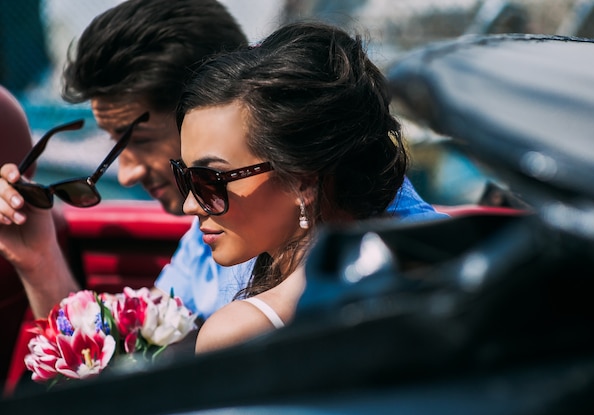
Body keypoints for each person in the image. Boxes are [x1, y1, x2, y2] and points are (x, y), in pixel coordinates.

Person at [0, 0, 445, 326]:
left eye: (137, 142)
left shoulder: (265, 227)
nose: (129, 173)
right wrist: (40, 260)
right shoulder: (234, 226)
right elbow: (132, 355)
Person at [173, 21, 438, 353]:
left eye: (209, 181)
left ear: (302, 179)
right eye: (184, 175)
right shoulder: (435, 268)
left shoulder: (238, 332)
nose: (190, 205)